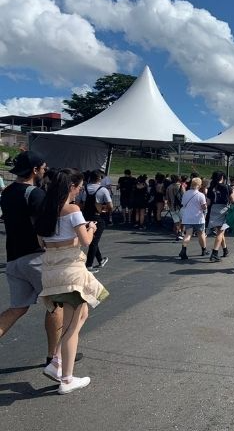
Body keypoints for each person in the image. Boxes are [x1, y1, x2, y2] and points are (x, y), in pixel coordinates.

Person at [35, 168, 108, 394]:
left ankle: (56, 361)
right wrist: (91, 227)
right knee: (71, 327)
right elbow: (86, 241)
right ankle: (66, 378)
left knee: (81, 315)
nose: (79, 191)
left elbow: (42, 243)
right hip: (71, 272)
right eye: (78, 187)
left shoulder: (45, 211)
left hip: (51, 272)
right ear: (70, 187)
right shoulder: (73, 210)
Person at [0, 152, 75, 369]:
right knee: (56, 304)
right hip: (35, 257)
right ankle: (54, 357)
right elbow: (47, 225)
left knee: (17, 308)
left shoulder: (7, 192)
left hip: (14, 259)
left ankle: (55, 357)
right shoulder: (35, 194)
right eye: (43, 167)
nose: (45, 170)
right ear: (34, 170)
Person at [79, 170, 112, 273]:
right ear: (99, 179)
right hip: (97, 217)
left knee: (93, 240)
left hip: (85, 217)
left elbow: (82, 204)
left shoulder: (85, 189)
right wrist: (104, 209)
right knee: (94, 241)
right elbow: (110, 206)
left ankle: (101, 259)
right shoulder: (103, 190)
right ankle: (89, 265)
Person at [178, 178, 209, 260]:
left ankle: (183, 250)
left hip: (187, 217)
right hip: (198, 218)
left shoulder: (186, 193)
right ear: (199, 185)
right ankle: (204, 250)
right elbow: (204, 207)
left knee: (188, 234)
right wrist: (206, 206)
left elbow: (183, 204)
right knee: (201, 234)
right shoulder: (201, 195)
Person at [207, 172, 234, 262]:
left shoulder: (211, 187)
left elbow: (208, 202)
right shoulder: (226, 187)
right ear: (222, 177)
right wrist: (233, 191)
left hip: (213, 209)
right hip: (224, 210)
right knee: (221, 231)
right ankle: (215, 253)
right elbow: (232, 200)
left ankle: (225, 250)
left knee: (220, 231)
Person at [165, 175, 184, 241]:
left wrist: (169, 205)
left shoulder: (169, 187)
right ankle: (181, 232)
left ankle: (177, 234)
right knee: (182, 220)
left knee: (176, 221)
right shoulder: (181, 186)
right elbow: (184, 196)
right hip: (180, 206)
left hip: (172, 206)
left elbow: (167, 198)